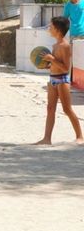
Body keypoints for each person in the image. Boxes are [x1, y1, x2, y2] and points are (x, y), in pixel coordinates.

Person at [34, 16, 84, 145]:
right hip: (52, 79)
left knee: (67, 109)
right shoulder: (55, 45)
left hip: (62, 80)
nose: (49, 28)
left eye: (51, 26)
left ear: (58, 30)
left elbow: (66, 67)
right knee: (50, 109)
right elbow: (57, 64)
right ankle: (46, 139)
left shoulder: (65, 46)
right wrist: (48, 66)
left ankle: (80, 136)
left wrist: (52, 59)